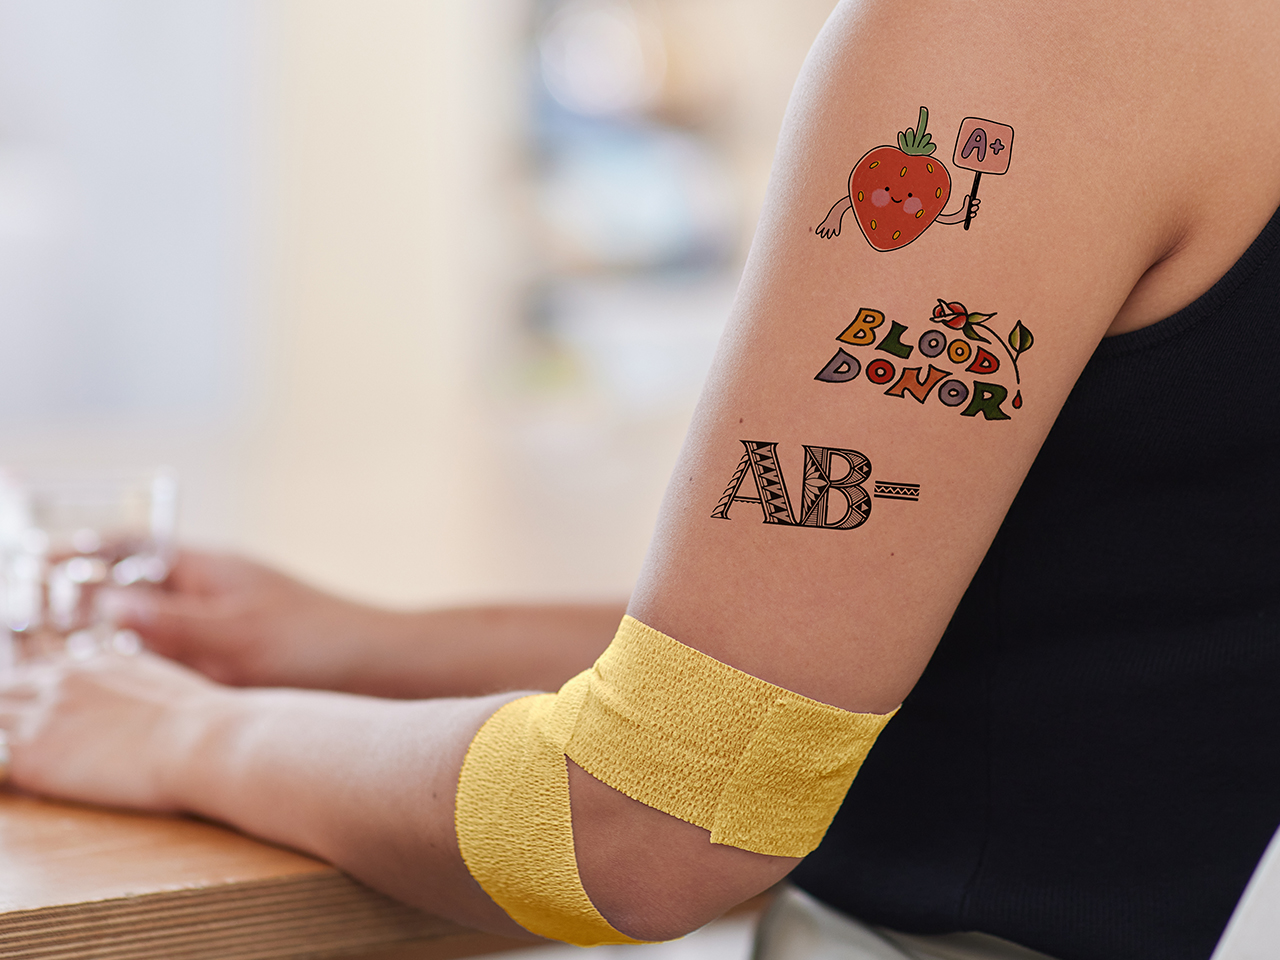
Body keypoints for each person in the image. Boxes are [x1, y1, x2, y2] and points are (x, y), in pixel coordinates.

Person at [2, 1, 1278, 958]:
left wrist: (172, 732)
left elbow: (651, 824)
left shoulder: (1035, 29)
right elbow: (1142, 641)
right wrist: (358, 646)